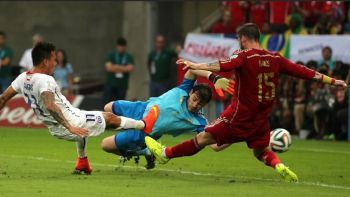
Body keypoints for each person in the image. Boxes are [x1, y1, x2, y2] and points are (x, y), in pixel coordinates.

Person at [145, 23, 347, 182]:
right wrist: (333, 81)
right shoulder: (276, 58)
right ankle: (278, 165)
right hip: (260, 120)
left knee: (204, 139)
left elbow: (222, 65)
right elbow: (304, 72)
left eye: (239, 39)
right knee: (260, 151)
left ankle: (165, 153)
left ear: (243, 38)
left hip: (238, 116)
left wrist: (196, 65)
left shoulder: (244, 56)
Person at [0, 42, 159, 174]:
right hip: (69, 122)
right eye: (54, 59)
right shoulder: (45, 80)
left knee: (86, 124)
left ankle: (82, 163)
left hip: (57, 126)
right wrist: (70, 126)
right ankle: (144, 125)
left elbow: (3, 98)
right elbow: (50, 105)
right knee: (109, 117)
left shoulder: (23, 78)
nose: (55, 63)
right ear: (45, 62)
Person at [101, 69, 233, 169]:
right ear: (191, 93)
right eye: (194, 100)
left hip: (144, 133)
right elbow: (192, 70)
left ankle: (145, 151)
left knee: (105, 145)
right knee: (108, 107)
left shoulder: (199, 121)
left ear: (204, 106)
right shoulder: (185, 88)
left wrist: (237, 135)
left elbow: (215, 146)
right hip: (141, 107)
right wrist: (212, 76)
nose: (195, 105)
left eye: (199, 104)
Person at [104, 37, 134, 103]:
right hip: (111, 83)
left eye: (122, 46)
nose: (121, 48)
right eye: (119, 46)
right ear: (117, 46)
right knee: (107, 102)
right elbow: (108, 68)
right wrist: (123, 68)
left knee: (120, 104)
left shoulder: (128, 56)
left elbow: (130, 68)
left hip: (122, 85)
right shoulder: (111, 55)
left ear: (125, 47)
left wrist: (116, 66)